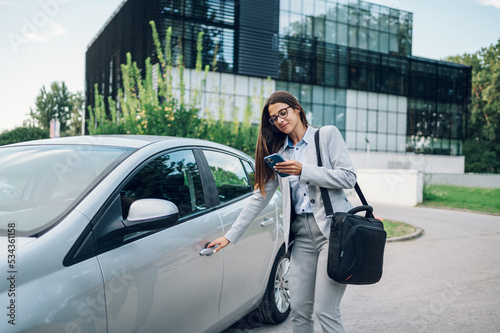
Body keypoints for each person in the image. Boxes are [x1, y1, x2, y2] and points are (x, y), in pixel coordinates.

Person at [208, 90, 356, 333]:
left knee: (325, 312)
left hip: (333, 234)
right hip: (301, 238)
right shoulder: (280, 153)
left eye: (283, 113)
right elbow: (260, 197)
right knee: (298, 311)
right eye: (274, 118)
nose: (280, 120)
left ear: (296, 109)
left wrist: (303, 171)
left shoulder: (326, 135)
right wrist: (230, 236)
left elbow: (348, 177)